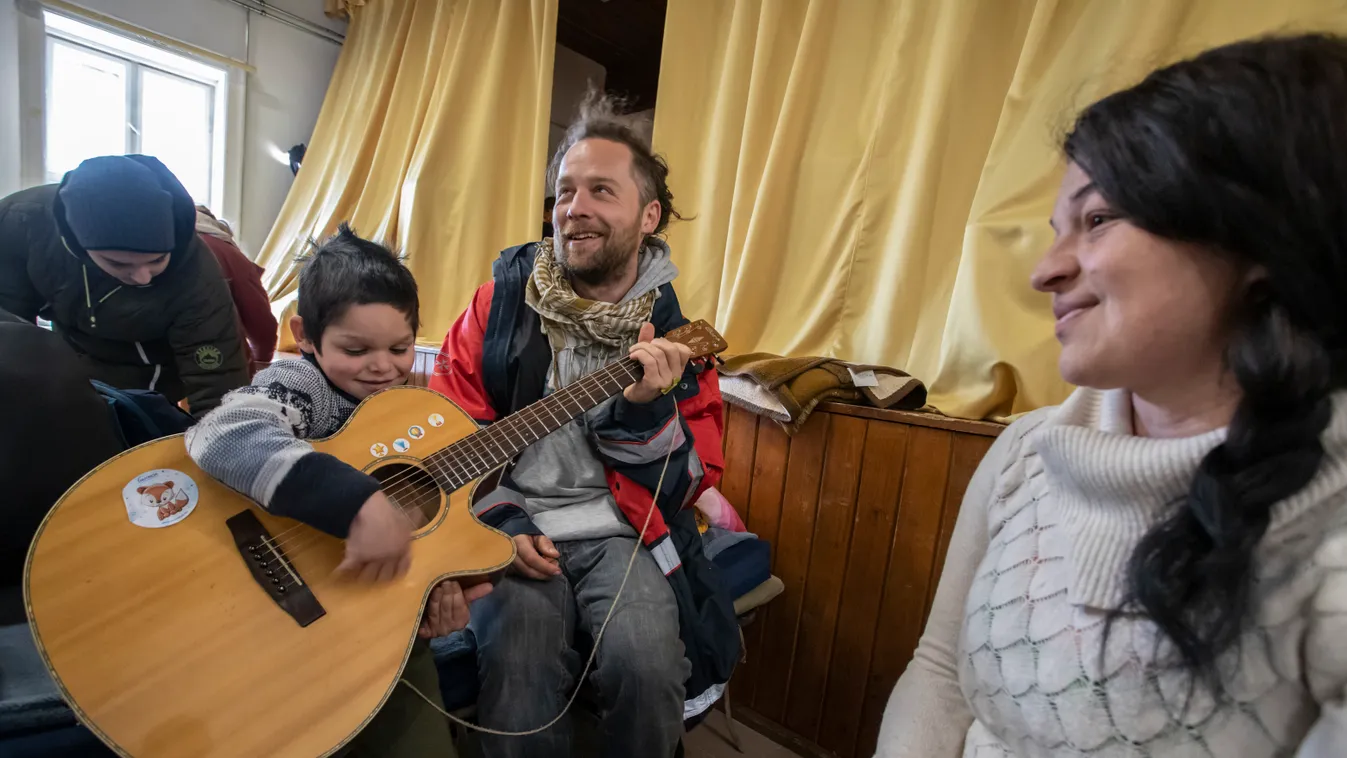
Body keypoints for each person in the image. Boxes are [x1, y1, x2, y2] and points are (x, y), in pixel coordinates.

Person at [877, 34, 1347, 757]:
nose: (1044, 272)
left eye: (1096, 219)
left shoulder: (1327, 541)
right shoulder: (1026, 452)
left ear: (1257, 239)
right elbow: (940, 674)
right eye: (1054, 231)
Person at [430, 92, 738, 758]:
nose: (575, 208)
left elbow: (691, 479)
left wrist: (645, 408)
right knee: (517, 678)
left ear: (647, 215)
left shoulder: (678, 336)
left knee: (648, 668)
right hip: (510, 529)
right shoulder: (498, 304)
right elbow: (448, 425)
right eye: (565, 191)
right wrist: (505, 522)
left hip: (623, 534)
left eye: (602, 190)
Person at [185, 224, 490, 756]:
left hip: (380, 626)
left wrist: (437, 582)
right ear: (304, 335)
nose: (381, 366)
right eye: (355, 348)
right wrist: (357, 503)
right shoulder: (305, 386)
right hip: (279, 627)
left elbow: (425, 529)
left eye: (399, 348)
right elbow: (220, 432)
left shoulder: (409, 407)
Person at [0, 155, 249, 417]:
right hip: (68, 365)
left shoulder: (197, 275)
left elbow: (218, 382)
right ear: (77, 245)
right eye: (119, 264)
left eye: (157, 260)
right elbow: (9, 332)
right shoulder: (21, 225)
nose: (143, 277)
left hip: (150, 385)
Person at [196, 205, 279, 375]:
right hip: (214, 360)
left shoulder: (160, 242)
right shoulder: (225, 251)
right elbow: (260, 323)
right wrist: (259, 363)